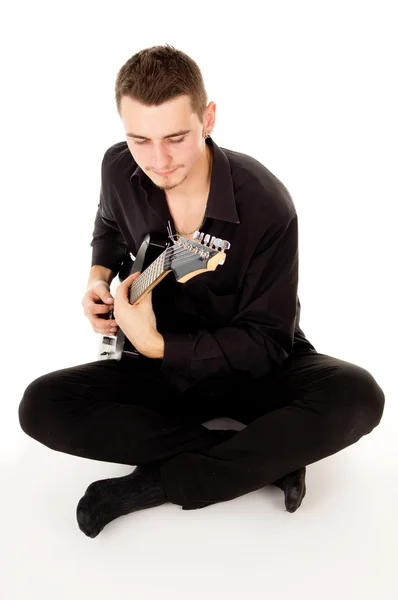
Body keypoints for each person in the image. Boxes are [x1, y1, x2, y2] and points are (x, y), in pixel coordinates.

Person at [18, 44, 385, 539]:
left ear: (208, 118)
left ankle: (158, 483)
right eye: (139, 140)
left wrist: (155, 343)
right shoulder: (118, 168)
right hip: (159, 377)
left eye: (175, 137)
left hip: (253, 369)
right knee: (40, 405)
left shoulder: (266, 205)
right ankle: (265, 458)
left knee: (359, 396)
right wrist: (98, 279)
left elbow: (267, 342)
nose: (157, 160)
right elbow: (108, 221)